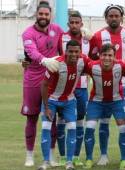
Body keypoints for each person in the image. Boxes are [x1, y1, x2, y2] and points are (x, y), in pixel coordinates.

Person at [88, 4, 125, 166]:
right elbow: (92, 57)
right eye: (111, 16)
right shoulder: (98, 36)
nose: (114, 18)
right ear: (106, 17)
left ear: (121, 17)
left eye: (117, 15)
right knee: (104, 121)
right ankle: (103, 155)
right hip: (103, 85)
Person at [21, 1, 63, 167]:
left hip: (51, 80)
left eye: (46, 14)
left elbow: (63, 51)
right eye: (41, 14)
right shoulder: (27, 33)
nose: (43, 17)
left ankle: (51, 156)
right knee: (31, 118)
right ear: (36, 15)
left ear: (50, 15)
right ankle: (29, 155)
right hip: (32, 81)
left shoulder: (57, 30)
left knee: (51, 117)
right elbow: (31, 52)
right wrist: (44, 60)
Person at [38, 40, 90, 170]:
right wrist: (46, 107)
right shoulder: (56, 64)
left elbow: (97, 64)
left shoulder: (83, 61)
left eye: (76, 51)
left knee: (72, 128)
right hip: (51, 100)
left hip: (69, 101)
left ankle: (69, 163)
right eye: (70, 51)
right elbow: (44, 85)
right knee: (46, 128)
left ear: (80, 52)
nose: (73, 54)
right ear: (65, 51)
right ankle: (45, 162)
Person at [83, 44, 125, 169]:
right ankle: (91, 158)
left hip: (117, 101)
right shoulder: (91, 66)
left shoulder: (121, 65)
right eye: (104, 55)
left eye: (110, 55)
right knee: (89, 128)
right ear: (99, 56)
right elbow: (77, 64)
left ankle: (123, 158)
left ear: (114, 57)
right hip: (97, 102)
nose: (107, 58)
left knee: (123, 129)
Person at [56, 10, 91, 167]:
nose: (75, 25)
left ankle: (76, 155)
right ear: (68, 23)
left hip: (82, 86)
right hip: (64, 87)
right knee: (62, 122)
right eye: (72, 22)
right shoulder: (62, 37)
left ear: (82, 24)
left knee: (79, 121)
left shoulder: (88, 38)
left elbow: (94, 60)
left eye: (78, 22)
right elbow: (57, 58)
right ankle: (63, 155)